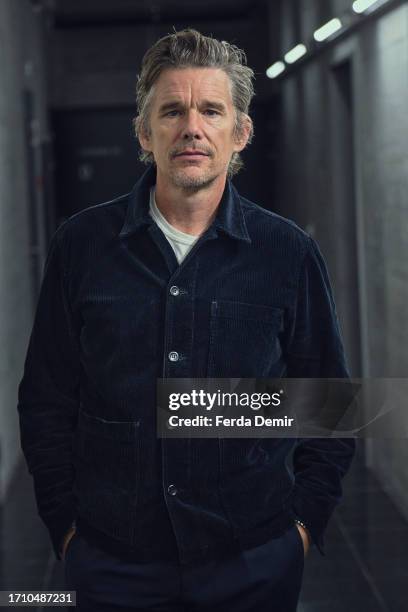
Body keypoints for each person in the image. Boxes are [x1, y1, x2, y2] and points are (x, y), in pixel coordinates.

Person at [17, 28, 355, 612]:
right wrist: (66, 530)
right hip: (112, 563)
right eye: (172, 110)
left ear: (239, 131)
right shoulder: (82, 245)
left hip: (253, 561)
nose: (191, 127)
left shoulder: (287, 252)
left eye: (211, 110)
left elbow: (329, 404)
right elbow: (46, 397)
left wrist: (299, 530)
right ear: (146, 133)